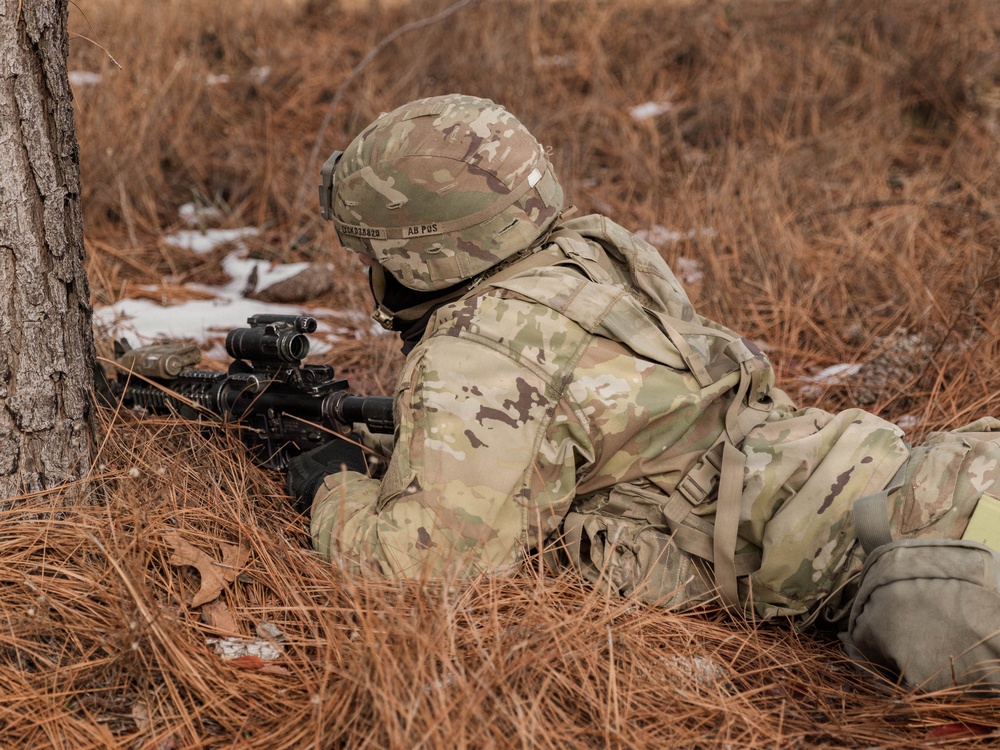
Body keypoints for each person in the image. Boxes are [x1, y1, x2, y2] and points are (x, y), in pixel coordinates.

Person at [289, 93, 1000, 693]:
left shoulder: (483, 350)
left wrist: (337, 485)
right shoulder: (591, 254)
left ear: (419, 255)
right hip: (938, 480)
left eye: (371, 253)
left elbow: (417, 574)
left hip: (934, 553)